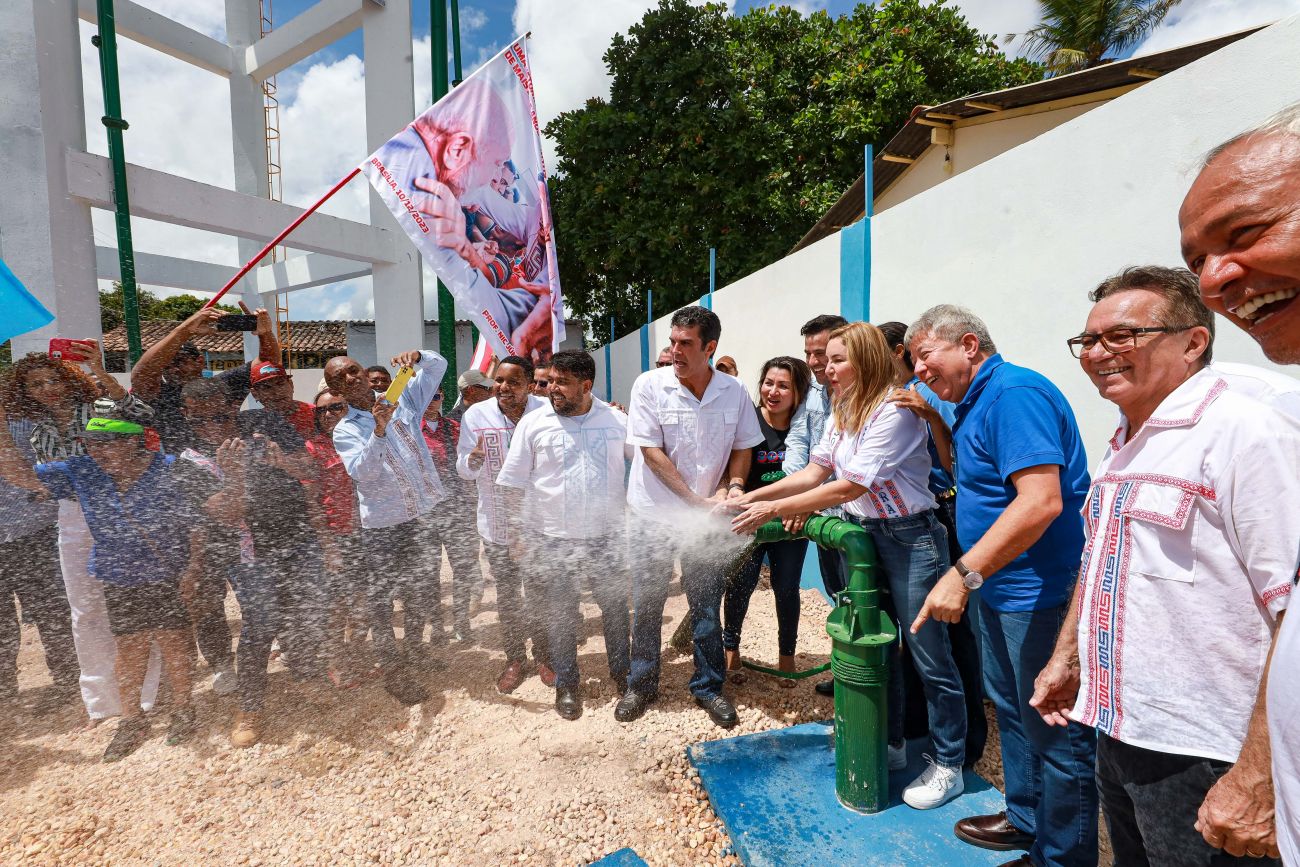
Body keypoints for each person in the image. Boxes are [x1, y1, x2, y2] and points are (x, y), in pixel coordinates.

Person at [1030, 266, 1297, 866]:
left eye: (1121, 336)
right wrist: (1068, 656)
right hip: (1121, 724)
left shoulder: (1246, 434)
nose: (1097, 353)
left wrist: (1258, 773)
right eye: (1088, 340)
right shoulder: (1126, 438)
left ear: (1194, 341)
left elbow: (1294, 610)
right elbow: (1102, 558)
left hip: (1209, 749)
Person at [728, 324, 967, 810]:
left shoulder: (894, 411)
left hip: (909, 538)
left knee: (928, 653)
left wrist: (772, 509)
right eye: (827, 359)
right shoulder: (843, 408)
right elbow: (814, 473)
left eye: (838, 359)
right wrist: (748, 498)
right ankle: (891, 742)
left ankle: (949, 764)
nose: (826, 367)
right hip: (865, 535)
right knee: (879, 645)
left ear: (866, 360)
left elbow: (852, 485)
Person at [905, 306, 1096, 867]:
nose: (918, 370)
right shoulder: (973, 399)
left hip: (1039, 592)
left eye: (925, 356)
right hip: (1000, 587)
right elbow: (963, 460)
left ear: (969, 344)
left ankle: (1061, 857)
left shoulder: (1014, 395)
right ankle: (1026, 819)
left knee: (1055, 731)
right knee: (1012, 709)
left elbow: (1041, 502)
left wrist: (962, 574)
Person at [1180, 101, 1300, 862]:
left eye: (1246, 232)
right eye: (1198, 261)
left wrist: (1253, 772)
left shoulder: (1258, 418)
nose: (1217, 279)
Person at [618, 305, 764, 729]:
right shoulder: (649, 385)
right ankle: (641, 685)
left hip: (707, 517)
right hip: (654, 516)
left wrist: (735, 486)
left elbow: (743, 446)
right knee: (648, 602)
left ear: (710, 347)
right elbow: (651, 452)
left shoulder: (733, 391)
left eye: (685, 343)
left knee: (705, 605)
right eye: (672, 342)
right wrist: (694, 500)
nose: (675, 351)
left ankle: (708, 687)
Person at [29, 403, 200, 761]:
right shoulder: (81, 470)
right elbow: (21, 474)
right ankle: (132, 720)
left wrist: (194, 569)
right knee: (129, 647)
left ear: (133, 441)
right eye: (91, 444)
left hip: (168, 571)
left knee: (175, 641)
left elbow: (197, 523)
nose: (97, 452)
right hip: (119, 573)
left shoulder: (170, 468)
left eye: (105, 443)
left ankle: (184, 710)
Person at [1, 347, 162, 723]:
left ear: (68, 379)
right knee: (85, 610)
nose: (47, 388)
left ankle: (149, 694)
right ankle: (103, 703)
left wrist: (99, 371)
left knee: (134, 603)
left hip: (120, 509)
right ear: (26, 393)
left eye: (52, 379)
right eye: (36, 384)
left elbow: (143, 415)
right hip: (72, 516)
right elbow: (42, 481)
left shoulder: (98, 409)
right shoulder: (40, 432)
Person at [496, 350, 632, 720]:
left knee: (616, 610)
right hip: (552, 538)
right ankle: (567, 684)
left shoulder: (617, 421)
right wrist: (516, 533)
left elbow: (645, 464)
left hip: (606, 537)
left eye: (562, 383)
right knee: (561, 614)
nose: (552, 388)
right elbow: (513, 483)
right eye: (551, 380)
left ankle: (623, 675)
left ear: (586, 386)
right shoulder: (533, 423)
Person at [878, 320, 988, 769]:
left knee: (950, 636)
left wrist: (931, 417)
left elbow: (953, 461)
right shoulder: (887, 397)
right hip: (909, 520)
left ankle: (966, 745)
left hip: (939, 514)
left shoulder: (927, 393)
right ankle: (916, 728)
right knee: (917, 637)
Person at [326, 351, 450, 706]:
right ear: (336, 391)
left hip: (421, 516)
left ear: (365, 372)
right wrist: (379, 430)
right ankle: (393, 672)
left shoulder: (401, 396)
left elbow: (439, 367)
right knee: (381, 603)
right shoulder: (346, 430)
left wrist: (419, 356)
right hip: (384, 528)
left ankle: (414, 653)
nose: (350, 378)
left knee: (420, 593)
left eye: (353, 370)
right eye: (340, 379)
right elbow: (363, 473)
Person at [456, 356, 551, 693]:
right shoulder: (476, 415)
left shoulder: (546, 410)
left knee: (539, 593)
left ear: (530, 385)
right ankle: (515, 658)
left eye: (513, 382)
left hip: (539, 524)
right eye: (498, 380)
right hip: (496, 525)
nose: (503, 388)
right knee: (508, 596)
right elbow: (463, 469)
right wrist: (473, 459)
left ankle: (545, 656)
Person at [721, 356, 811, 687]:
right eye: (768, 383)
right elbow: (732, 467)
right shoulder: (749, 422)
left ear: (798, 392)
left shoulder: (805, 427)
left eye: (783, 386)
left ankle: (787, 659)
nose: (773, 391)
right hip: (748, 522)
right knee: (740, 586)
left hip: (790, 523)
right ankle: (731, 651)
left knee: (786, 589)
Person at [782, 313, 848, 697]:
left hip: (857, 521)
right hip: (825, 520)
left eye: (821, 353)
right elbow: (799, 446)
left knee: (867, 605)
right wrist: (796, 500)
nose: (813, 362)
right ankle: (846, 676)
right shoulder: (813, 396)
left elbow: (852, 474)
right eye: (808, 353)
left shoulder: (864, 397)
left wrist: (804, 502)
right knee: (839, 597)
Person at [0, 402, 77, 710]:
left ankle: (68, 681)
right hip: (22, 532)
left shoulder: (24, 423)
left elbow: (49, 469)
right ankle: (5, 693)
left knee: (51, 612)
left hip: (35, 532)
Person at [130, 305, 281, 455]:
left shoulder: (222, 385)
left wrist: (265, 334)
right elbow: (141, 375)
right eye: (166, 365)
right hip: (179, 468)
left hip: (233, 463)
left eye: (180, 361)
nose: (173, 369)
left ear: (200, 361)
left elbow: (267, 365)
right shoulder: (159, 395)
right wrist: (185, 330)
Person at [420, 384, 483, 642]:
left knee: (463, 568)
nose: (431, 401)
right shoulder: (411, 430)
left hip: (456, 509)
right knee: (429, 572)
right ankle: (437, 626)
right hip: (425, 513)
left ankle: (461, 622)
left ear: (443, 397)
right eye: (426, 396)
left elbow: (467, 465)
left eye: (436, 396)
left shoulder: (455, 428)